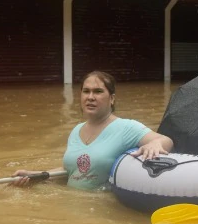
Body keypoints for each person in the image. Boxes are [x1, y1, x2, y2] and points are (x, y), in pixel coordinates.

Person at [11, 71, 173, 190]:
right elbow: (71, 171)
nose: (90, 97)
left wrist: (155, 144)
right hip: (71, 207)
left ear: (112, 99)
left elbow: (166, 140)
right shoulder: (76, 130)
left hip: (103, 210)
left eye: (98, 91)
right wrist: (35, 175)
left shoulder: (126, 127)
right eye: (86, 91)